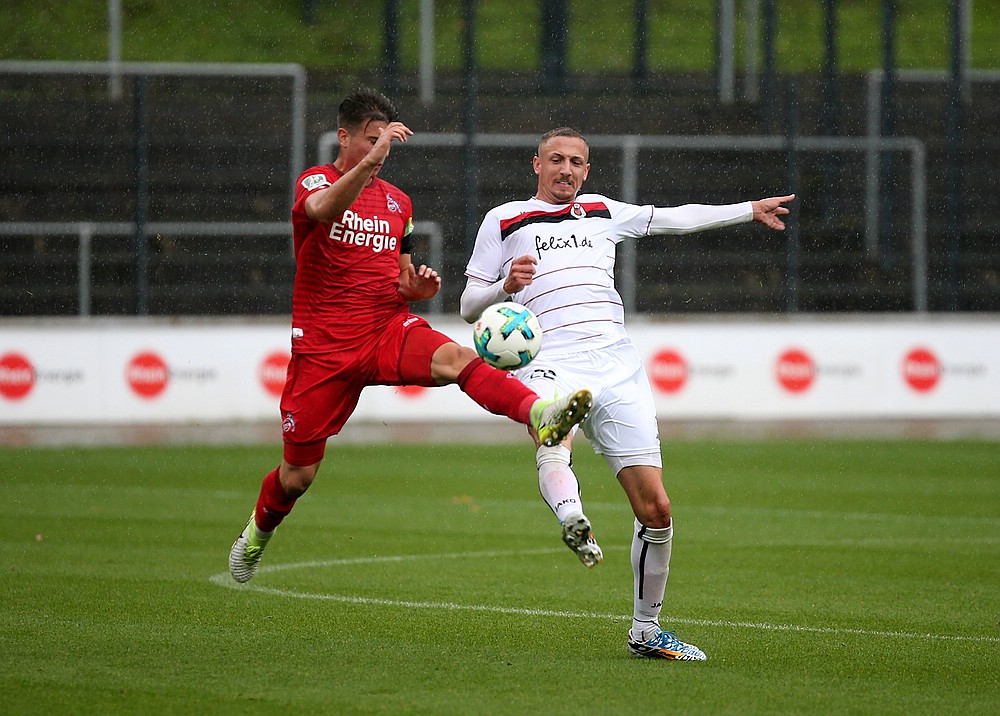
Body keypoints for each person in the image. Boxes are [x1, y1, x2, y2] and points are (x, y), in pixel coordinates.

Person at [460, 127, 795, 661]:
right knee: (553, 437)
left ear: (587, 170)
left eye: (576, 162)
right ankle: (573, 519)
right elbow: (467, 306)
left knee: (656, 508)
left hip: (617, 366)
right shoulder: (505, 219)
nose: (566, 169)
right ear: (536, 165)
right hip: (550, 360)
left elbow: (674, 218)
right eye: (556, 159)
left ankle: (646, 631)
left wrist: (746, 210)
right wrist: (505, 288)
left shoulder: (602, 211)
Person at [229, 92, 592, 584]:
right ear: (344, 137)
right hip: (325, 348)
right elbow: (322, 210)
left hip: (386, 327)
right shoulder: (317, 180)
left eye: (385, 142)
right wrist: (370, 162)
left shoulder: (398, 202)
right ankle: (258, 533)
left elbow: (401, 272)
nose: (380, 151)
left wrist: (415, 287)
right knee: (297, 478)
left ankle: (539, 413)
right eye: (370, 140)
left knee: (458, 358)